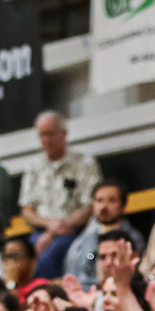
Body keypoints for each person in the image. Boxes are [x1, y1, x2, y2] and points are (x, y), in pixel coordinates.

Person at [19, 112, 102, 280]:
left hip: (74, 231)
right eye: (43, 135)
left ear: (64, 134)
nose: (47, 140)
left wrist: (57, 229)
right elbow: (27, 211)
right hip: (40, 232)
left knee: (49, 256)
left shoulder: (84, 163)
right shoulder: (33, 168)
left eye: (51, 134)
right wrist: (50, 226)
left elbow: (90, 207)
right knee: (17, 256)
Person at [66, 179, 147, 289]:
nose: (104, 206)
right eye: (99, 200)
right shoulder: (83, 237)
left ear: (124, 205)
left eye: (111, 201)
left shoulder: (133, 239)